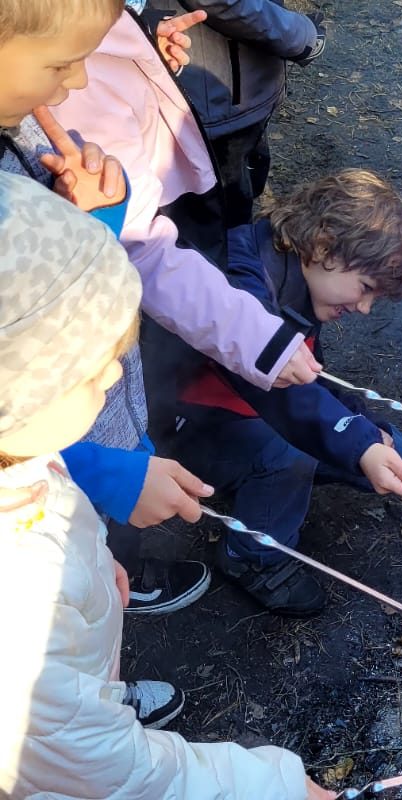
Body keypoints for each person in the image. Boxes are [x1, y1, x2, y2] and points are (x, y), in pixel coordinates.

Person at [0, 172, 333, 800]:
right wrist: (277, 786)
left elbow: (44, 476)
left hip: (68, 697)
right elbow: (121, 775)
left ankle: (104, 694)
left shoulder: (21, 453)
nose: (115, 374)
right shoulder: (17, 604)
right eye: (89, 367)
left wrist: (94, 558)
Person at [0, 0, 222, 623]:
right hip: (42, 506)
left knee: (91, 579)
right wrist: (97, 472)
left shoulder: (20, 126)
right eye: (63, 62)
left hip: (72, 457)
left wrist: (96, 222)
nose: (75, 83)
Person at [163, 170, 402, 616]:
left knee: (394, 447)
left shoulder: (301, 282)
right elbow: (271, 389)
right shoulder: (242, 275)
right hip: (179, 423)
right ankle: (252, 558)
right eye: (365, 289)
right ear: (324, 246)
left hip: (250, 412)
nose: (364, 308)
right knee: (290, 456)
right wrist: (356, 443)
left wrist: (364, 429)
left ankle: (263, 481)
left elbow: (309, 379)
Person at [145, 0, 327, 226]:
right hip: (216, 98)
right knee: (224, 217)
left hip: (238, 86)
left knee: (242, 187)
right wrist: (302, 36)